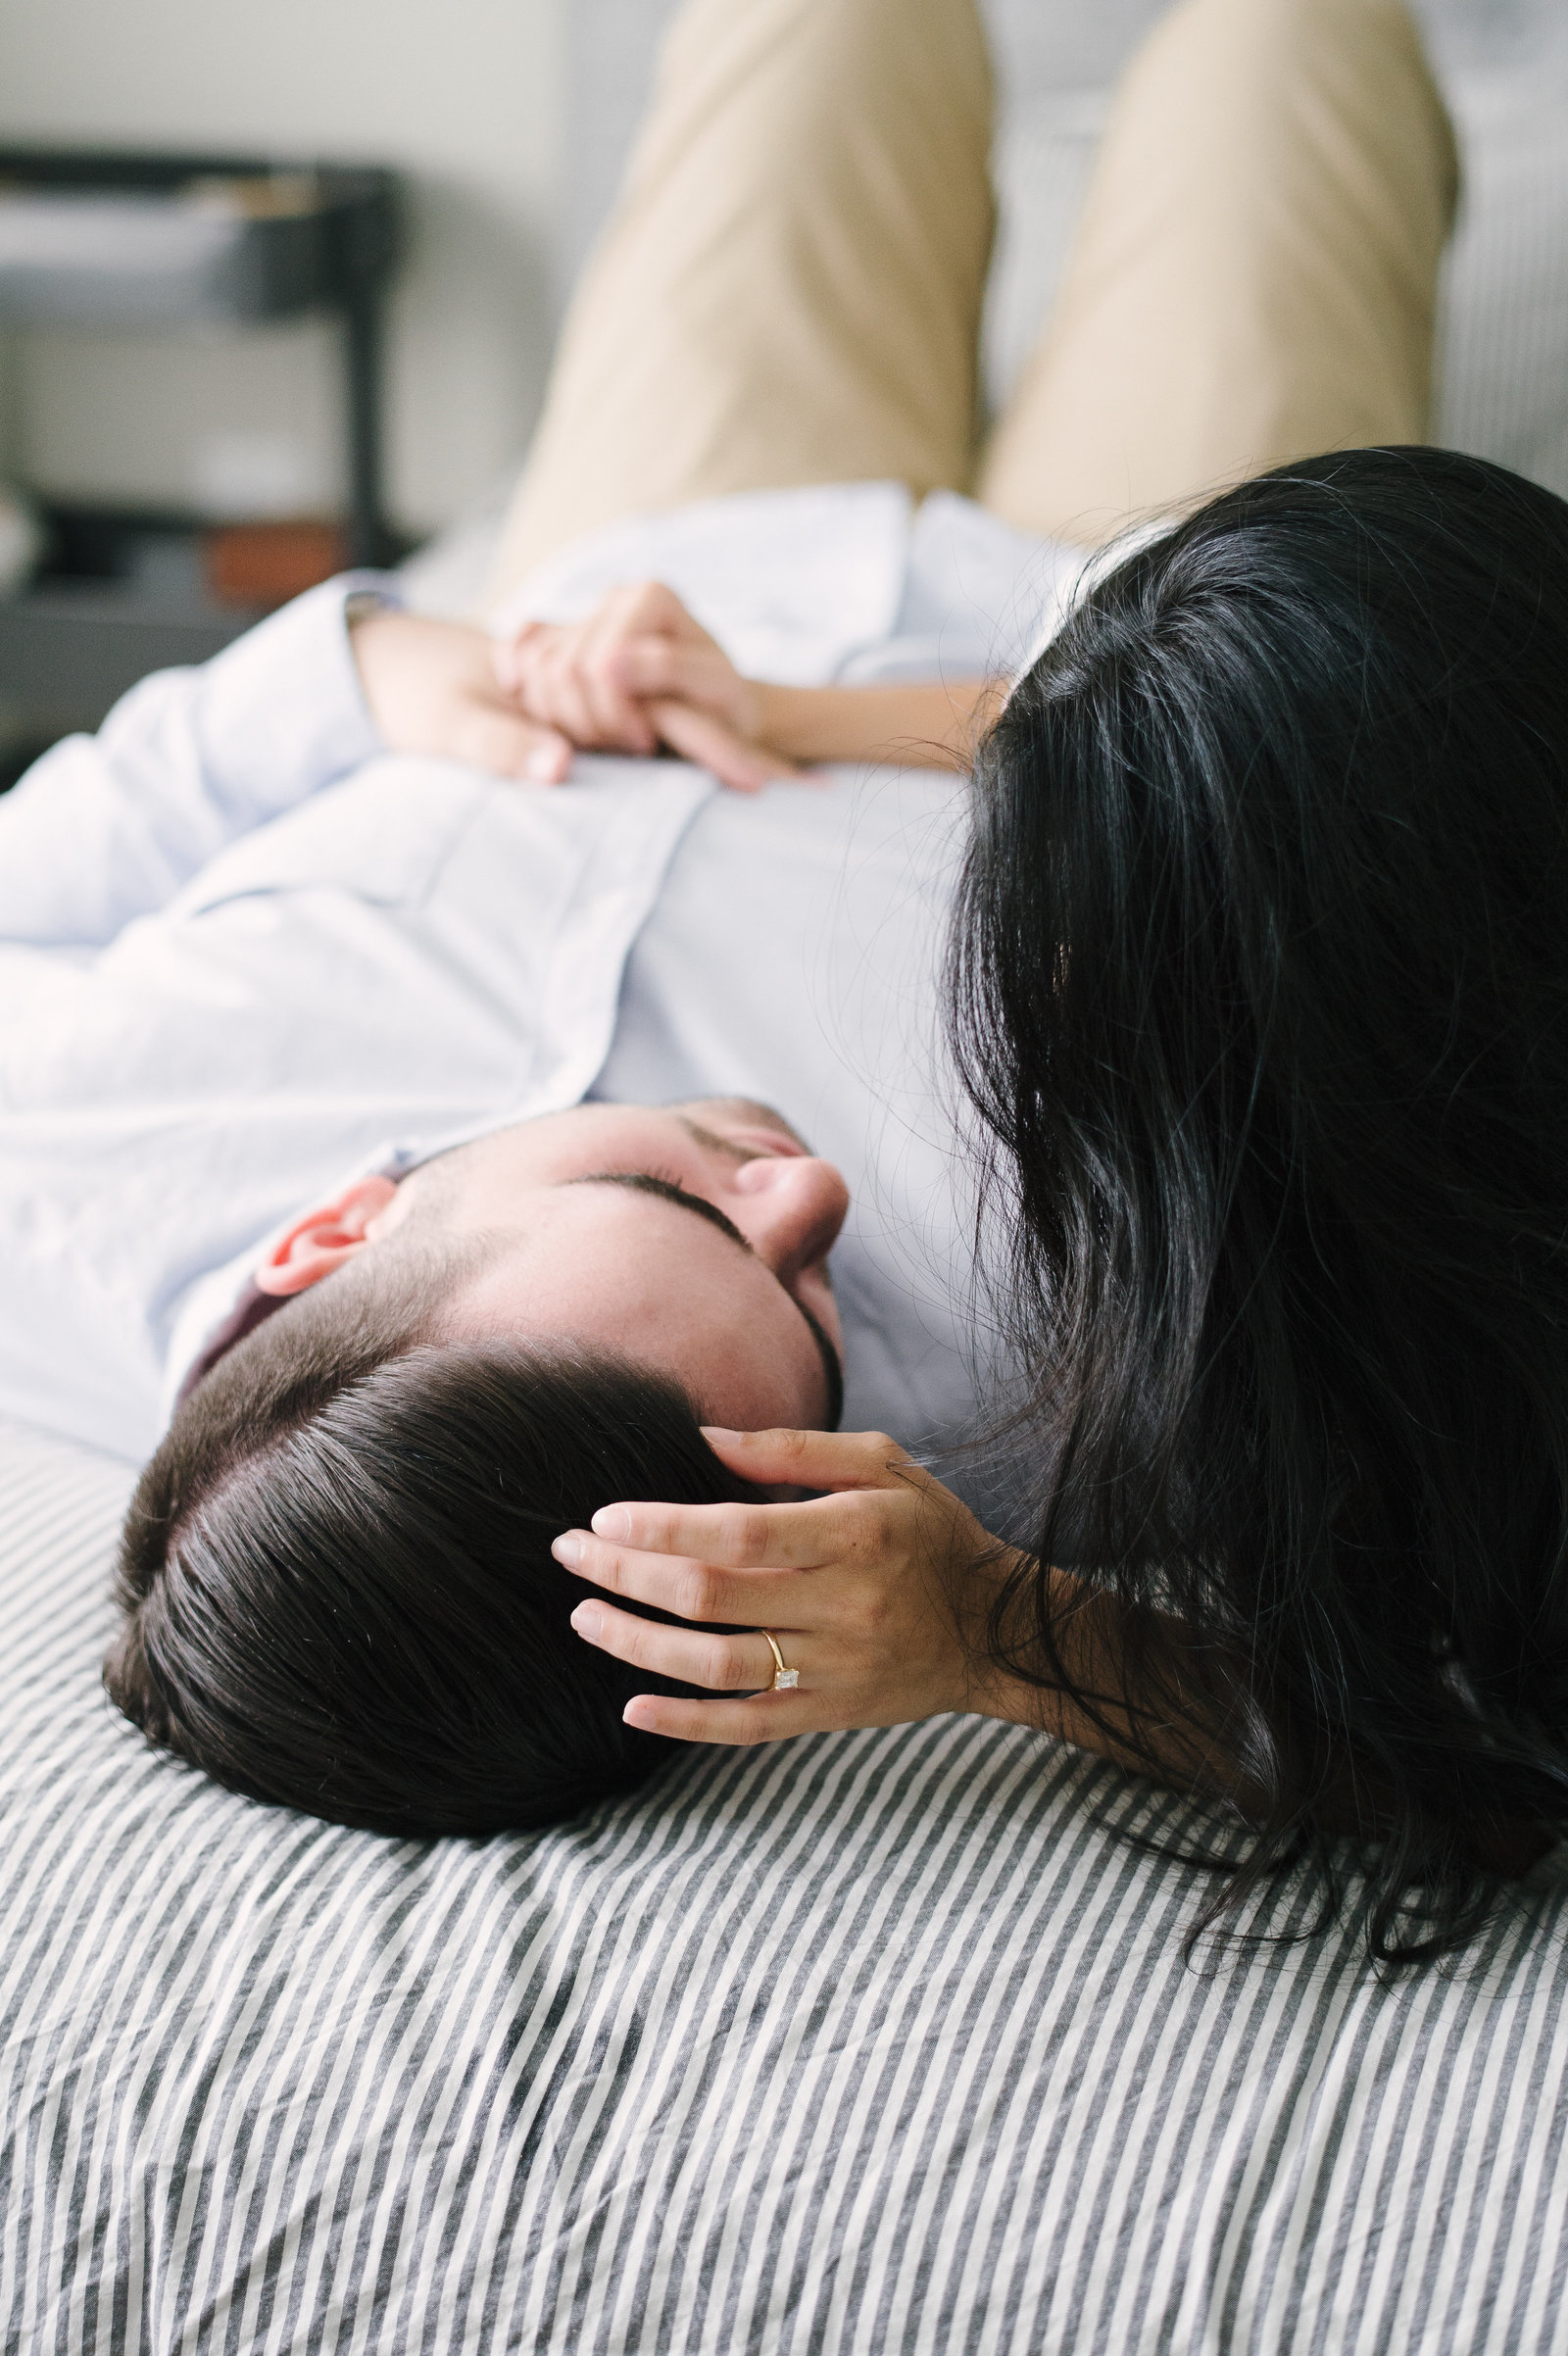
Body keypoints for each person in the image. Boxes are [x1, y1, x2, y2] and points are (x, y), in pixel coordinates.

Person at [3, 0, 1472, 1879]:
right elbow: (1466, 1737)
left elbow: (93, 817)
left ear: (337, 1231)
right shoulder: (1078, 1414)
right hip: (1148, 616)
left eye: (689, 1206)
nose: (807, 1200)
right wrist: (1004, 1637)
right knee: (1290, 50)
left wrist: (398, 670)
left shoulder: (44, 1180)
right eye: (816, 1324)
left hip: (661, 554)